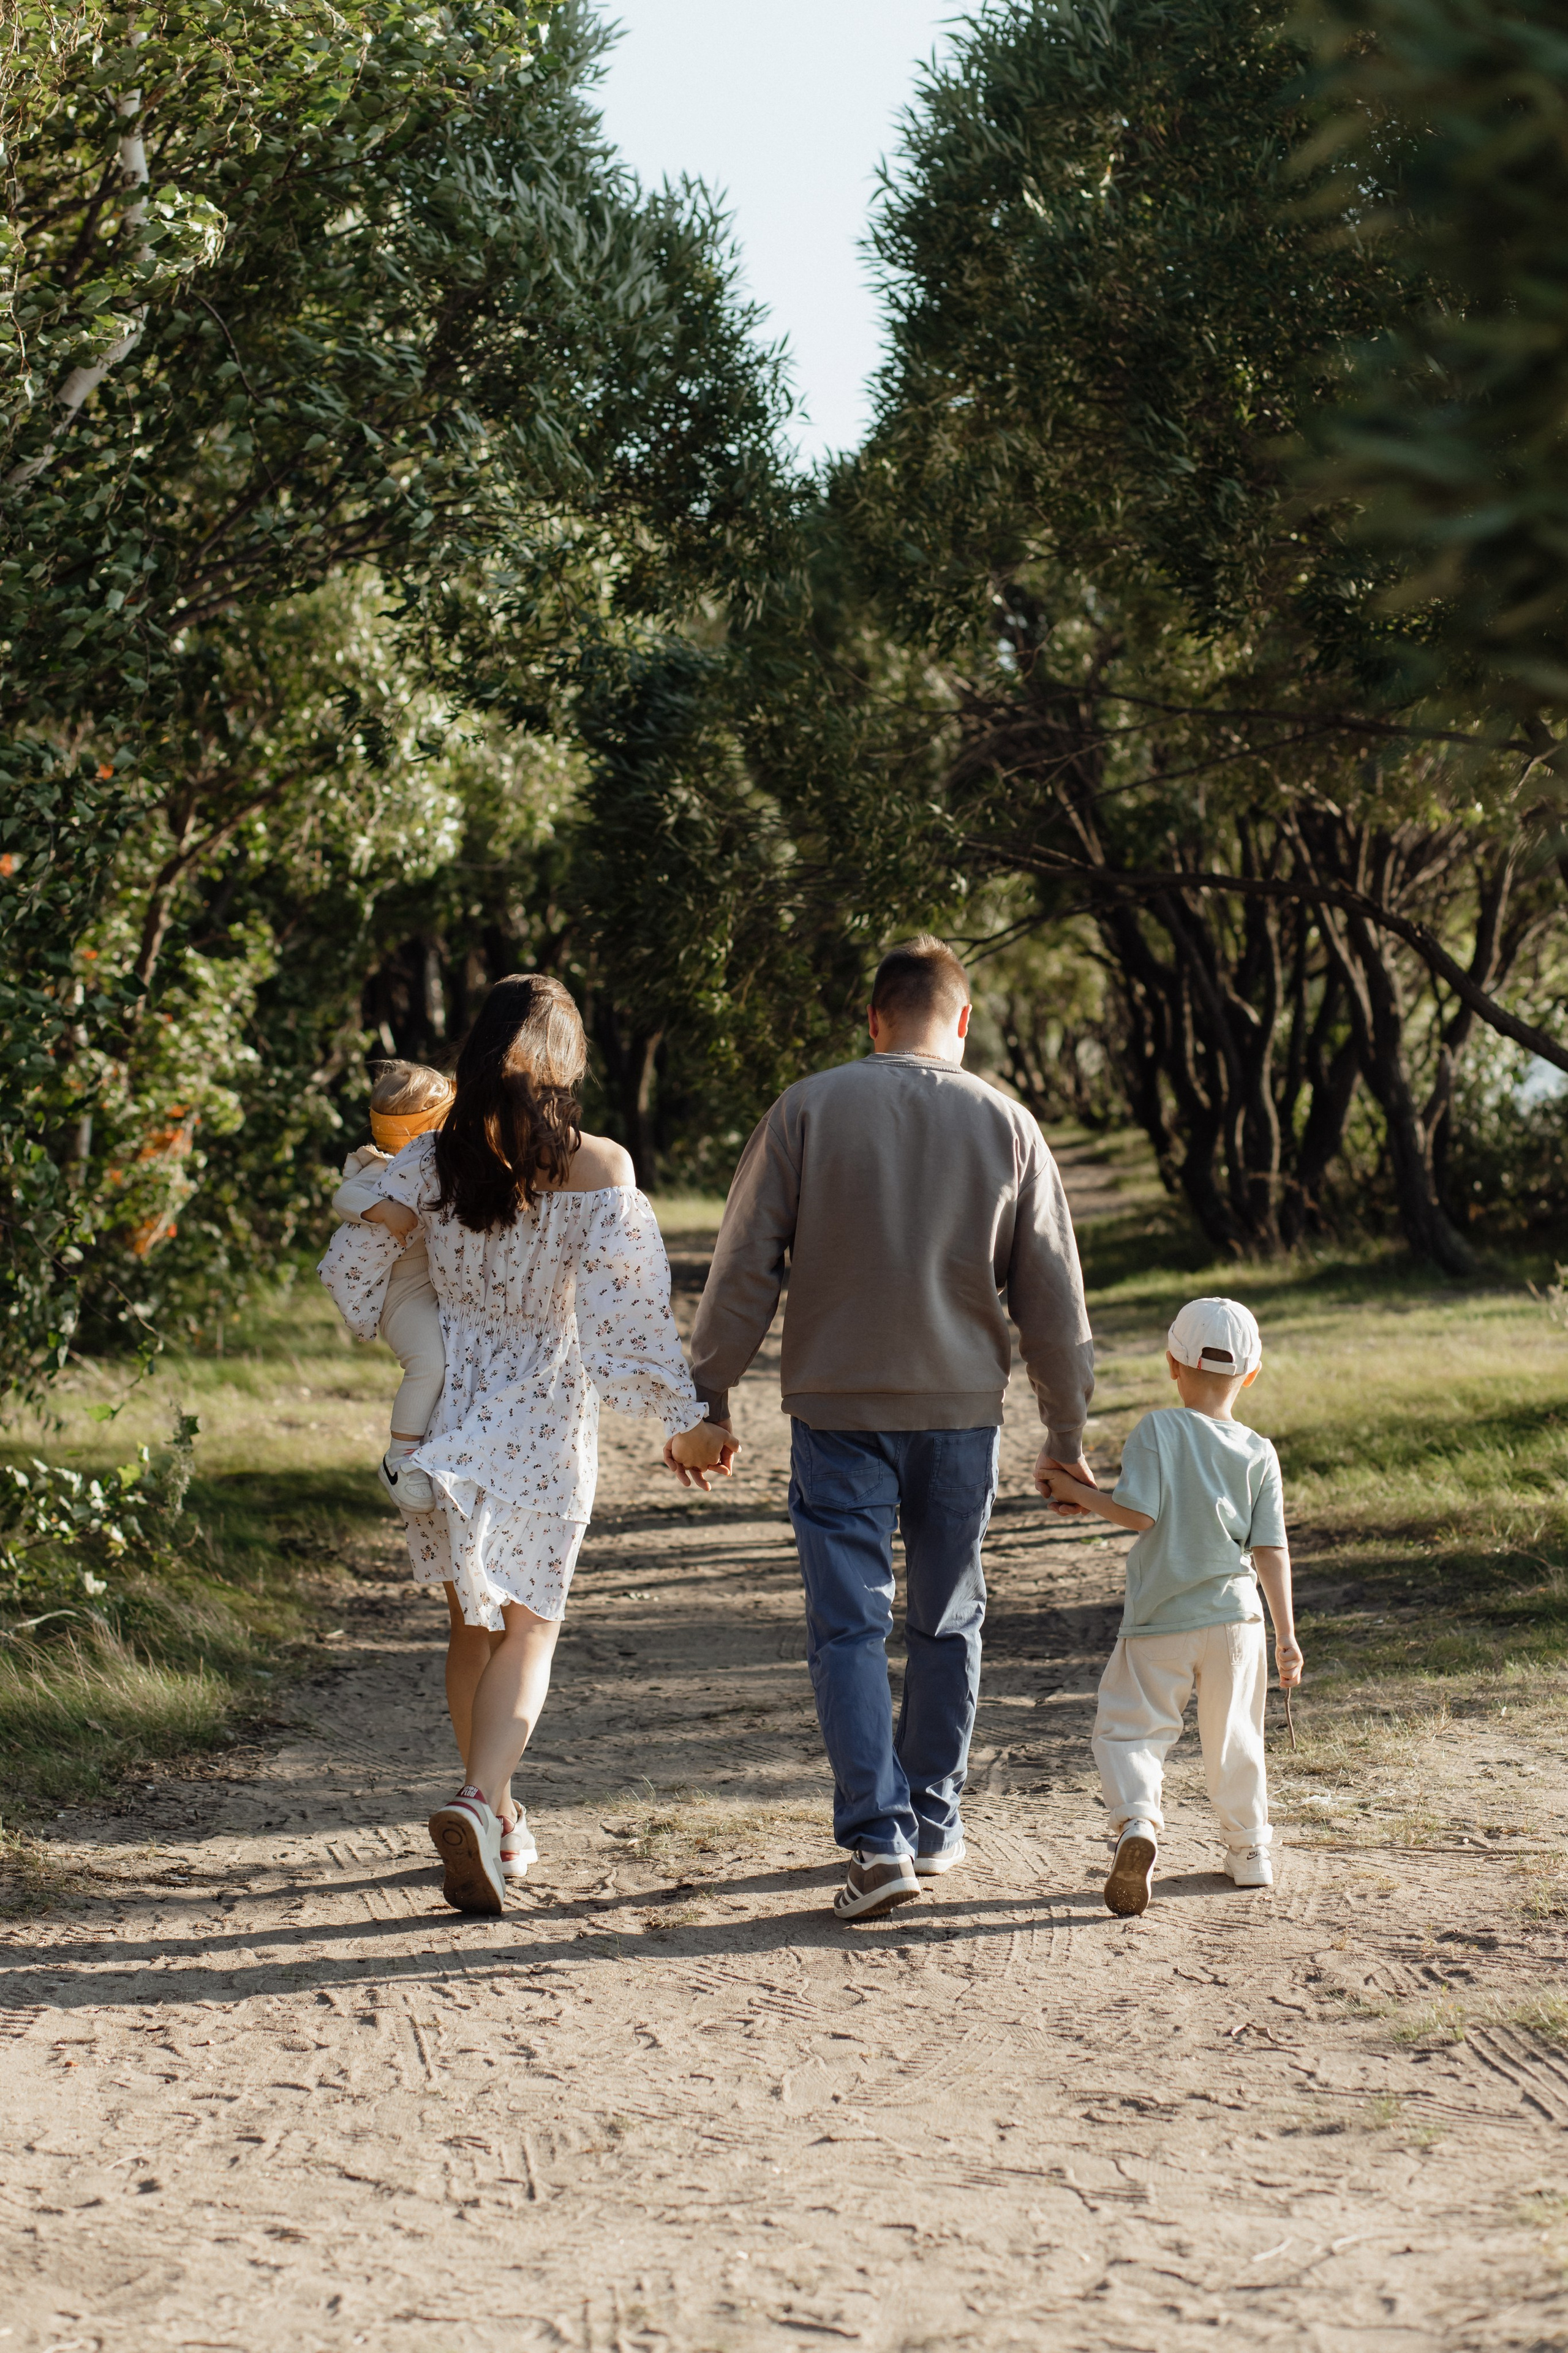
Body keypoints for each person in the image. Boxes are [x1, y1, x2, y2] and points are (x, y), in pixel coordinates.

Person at [683, 935, 1096, 1922]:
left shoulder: (807, 1108)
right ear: (964, 1020)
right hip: (960, 1416)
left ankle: (879, 1842)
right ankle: (935, 1819)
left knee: (849, 1627)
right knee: (948, 1618)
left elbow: (743, 1267)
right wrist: (1067, 1431)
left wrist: (710, 1397)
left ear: (874, 1019)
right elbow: (1053, 1297)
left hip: (838, 1412)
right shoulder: (1009, 1122)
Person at [357, 975, 734, 1914]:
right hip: (545, 1416)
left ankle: (499, 1815)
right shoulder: (599, 1167)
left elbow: (367, 1248)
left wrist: (375, 1197)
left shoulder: (432, 1161)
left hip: (451, 1407)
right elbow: (628, 1322)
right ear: (568, 1066)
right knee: (531, 1624)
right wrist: (683, 1423)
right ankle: (481, 1800)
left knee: (471, 1626)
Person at [1036, 1296, 1303, 1916]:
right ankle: (1249, 1850)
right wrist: (1286, 1635)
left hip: (1160, 1619)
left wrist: (1077, 1490)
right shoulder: (1259, 1451)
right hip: (1236, 1620)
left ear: (1172, 1364)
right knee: (1235, 1737)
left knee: (1130, 1726)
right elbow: (1271, 1550)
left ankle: (1138, 1821)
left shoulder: (1157, 1429)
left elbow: (1139, 1514)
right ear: (1251, 1375)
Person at [318, 1060, 454, 1514]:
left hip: (439, 1291)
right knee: (429, 1363)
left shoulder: (443, 1165)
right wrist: (383, 1209)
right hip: (403, 1297)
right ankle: (400, 1458)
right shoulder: (384, 1168)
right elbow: (345, 1196)